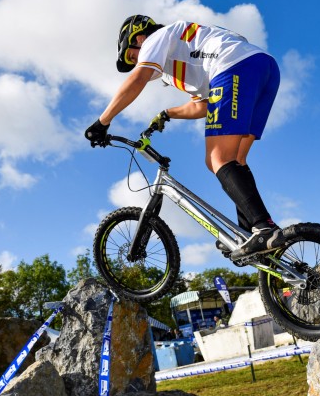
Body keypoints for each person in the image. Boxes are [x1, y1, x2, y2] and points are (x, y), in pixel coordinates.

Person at [85, 15, 285, 259]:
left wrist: (101, 122)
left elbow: (138, 79)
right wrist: (167, 113)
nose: (135, 61)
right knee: (236, 160)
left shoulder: (156, 38)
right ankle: (250, 230)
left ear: (138, 38)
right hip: (264, 68)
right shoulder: (179, 61)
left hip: (234, 66)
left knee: (216, 159)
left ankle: (263, 227)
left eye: (131, 55)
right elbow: (201, 106)